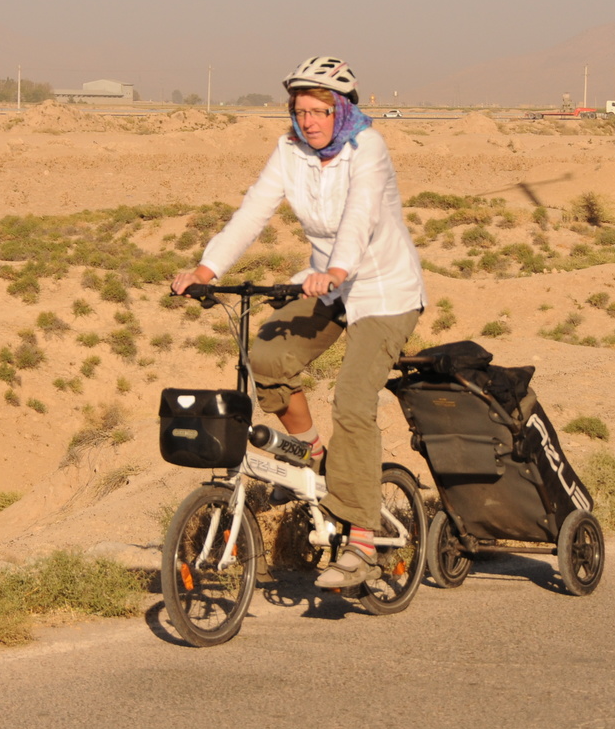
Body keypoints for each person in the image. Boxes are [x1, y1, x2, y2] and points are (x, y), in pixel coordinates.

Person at [169, 56, 425, 589]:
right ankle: (313, 456)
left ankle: (362, 541)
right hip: (326, 283)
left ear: (342, 110)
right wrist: (206, 267)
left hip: (382, 290)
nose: (307, 122)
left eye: (318, 111)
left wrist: (336, 268)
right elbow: (253, 212)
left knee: (353, 402)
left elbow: (360, 215)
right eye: (300, 111)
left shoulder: (367, 149)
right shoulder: (289, 151)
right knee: (264, 356)